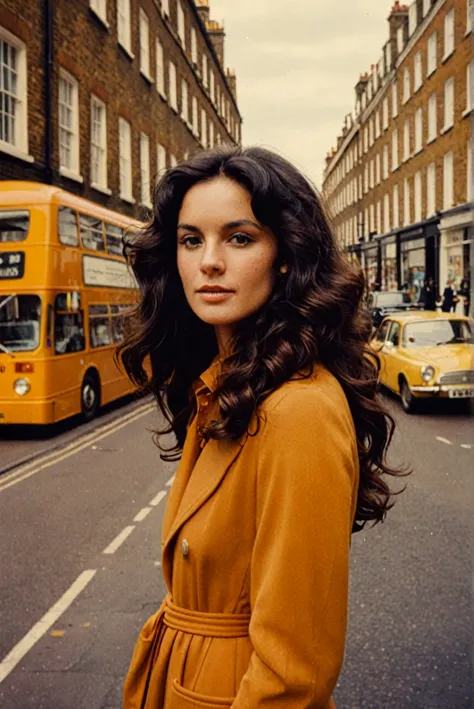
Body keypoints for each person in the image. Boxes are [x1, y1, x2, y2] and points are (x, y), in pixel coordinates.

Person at [118, 147, 407, 709]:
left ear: (285, 257)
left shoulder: (298, 410)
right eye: (191, 240)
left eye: (240, 238)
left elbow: (293, 674)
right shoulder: (225, 388)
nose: (209, 262)